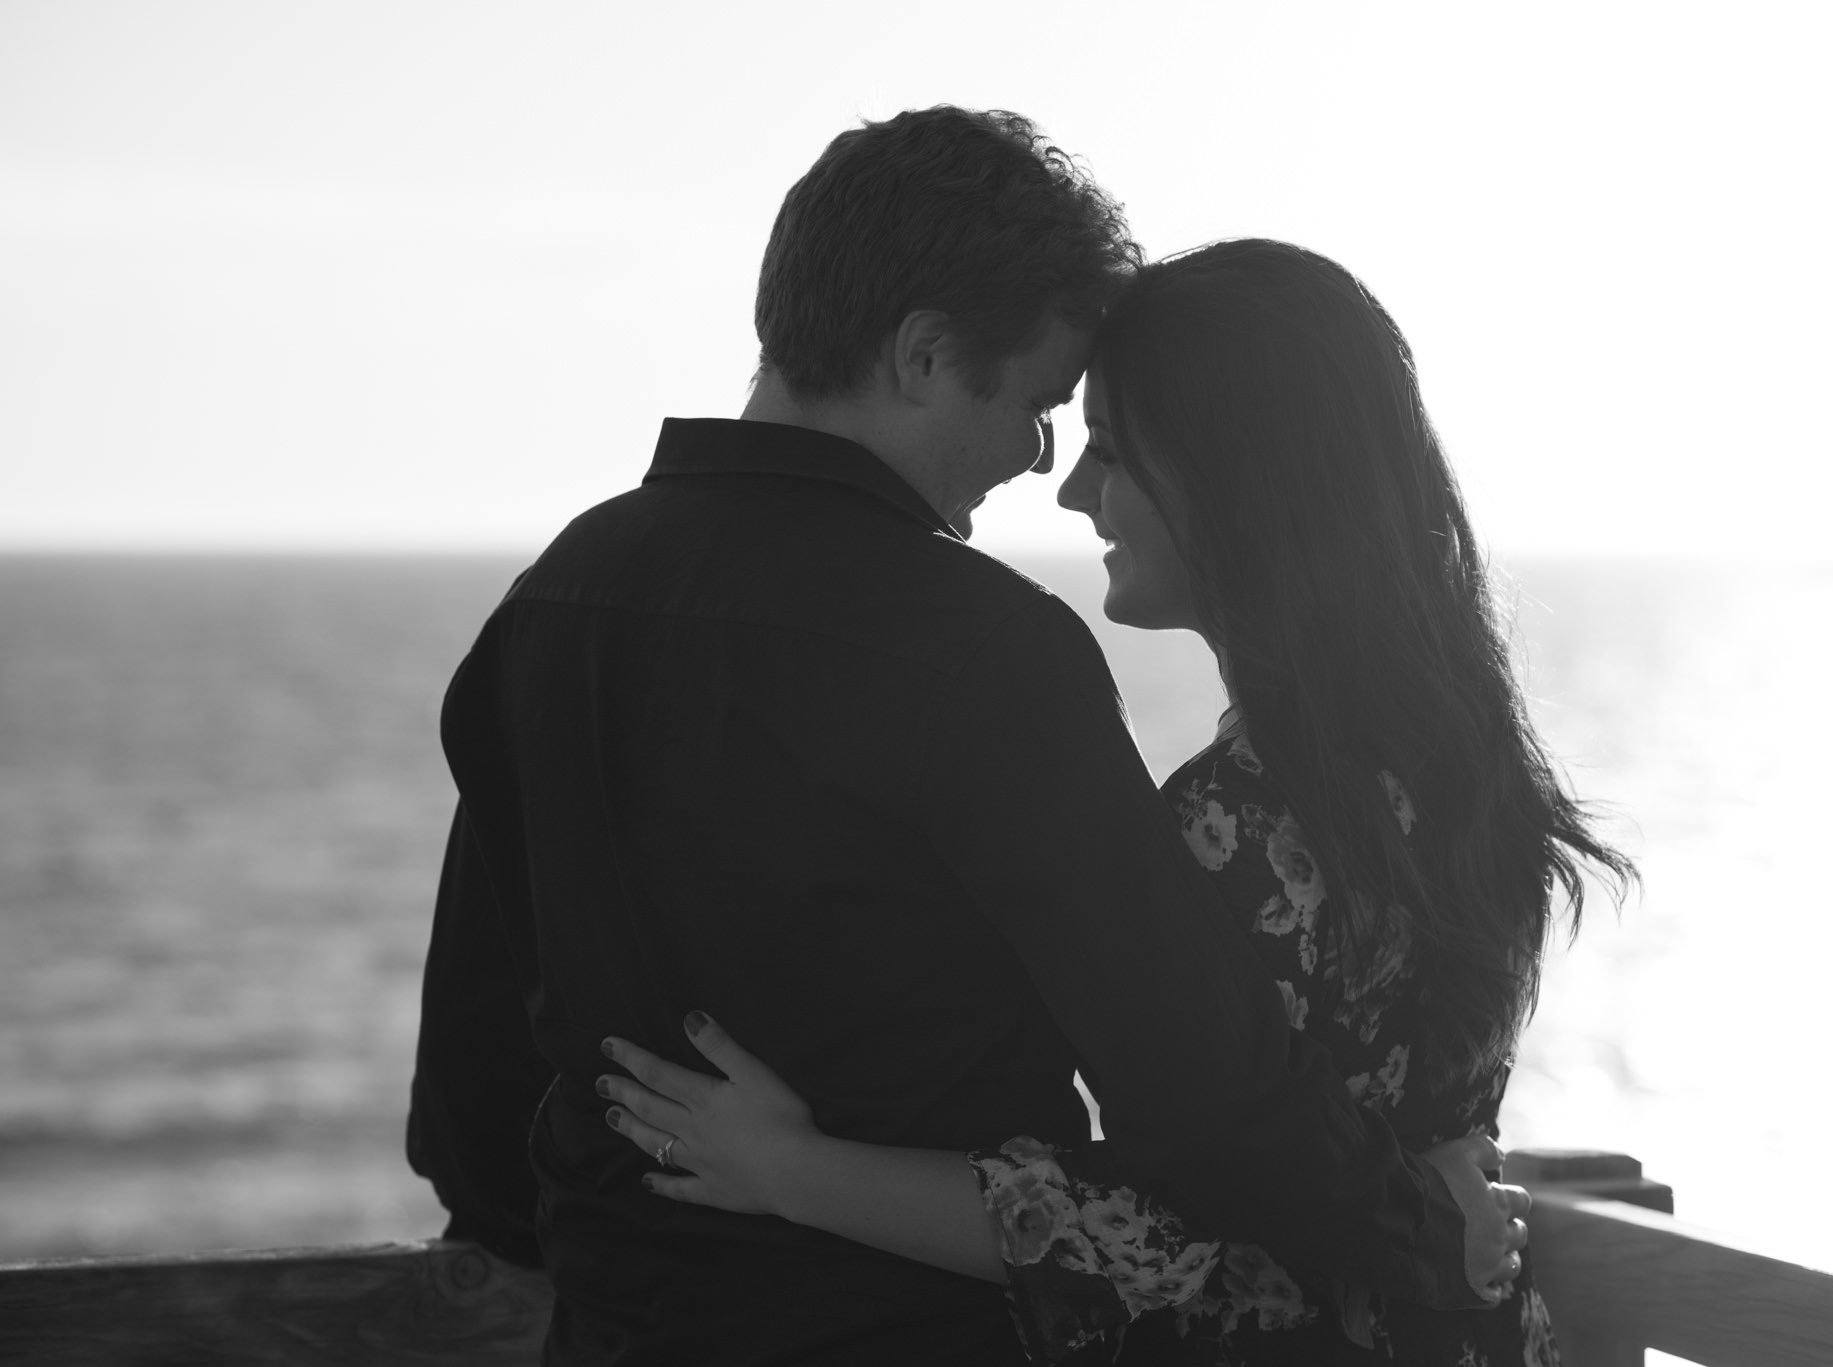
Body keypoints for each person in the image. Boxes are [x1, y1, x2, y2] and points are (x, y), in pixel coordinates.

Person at [406, 110, 1526, 1365]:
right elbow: (1206, 1100)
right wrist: (1416, 1221)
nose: (1037, 460)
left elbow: (473, 1093)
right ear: (925, 355)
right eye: (1040, 403)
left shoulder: (549, 608)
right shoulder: (981, 650)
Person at [593, 239, 1637, 1364]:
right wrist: (1436, 1208)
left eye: (1110, 450)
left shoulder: (1241, 822)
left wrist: (792, 1171)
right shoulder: (1457, 770)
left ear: (1230, 481)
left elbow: (1180, 1230)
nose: (1076, 488)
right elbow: (1394, 1147)